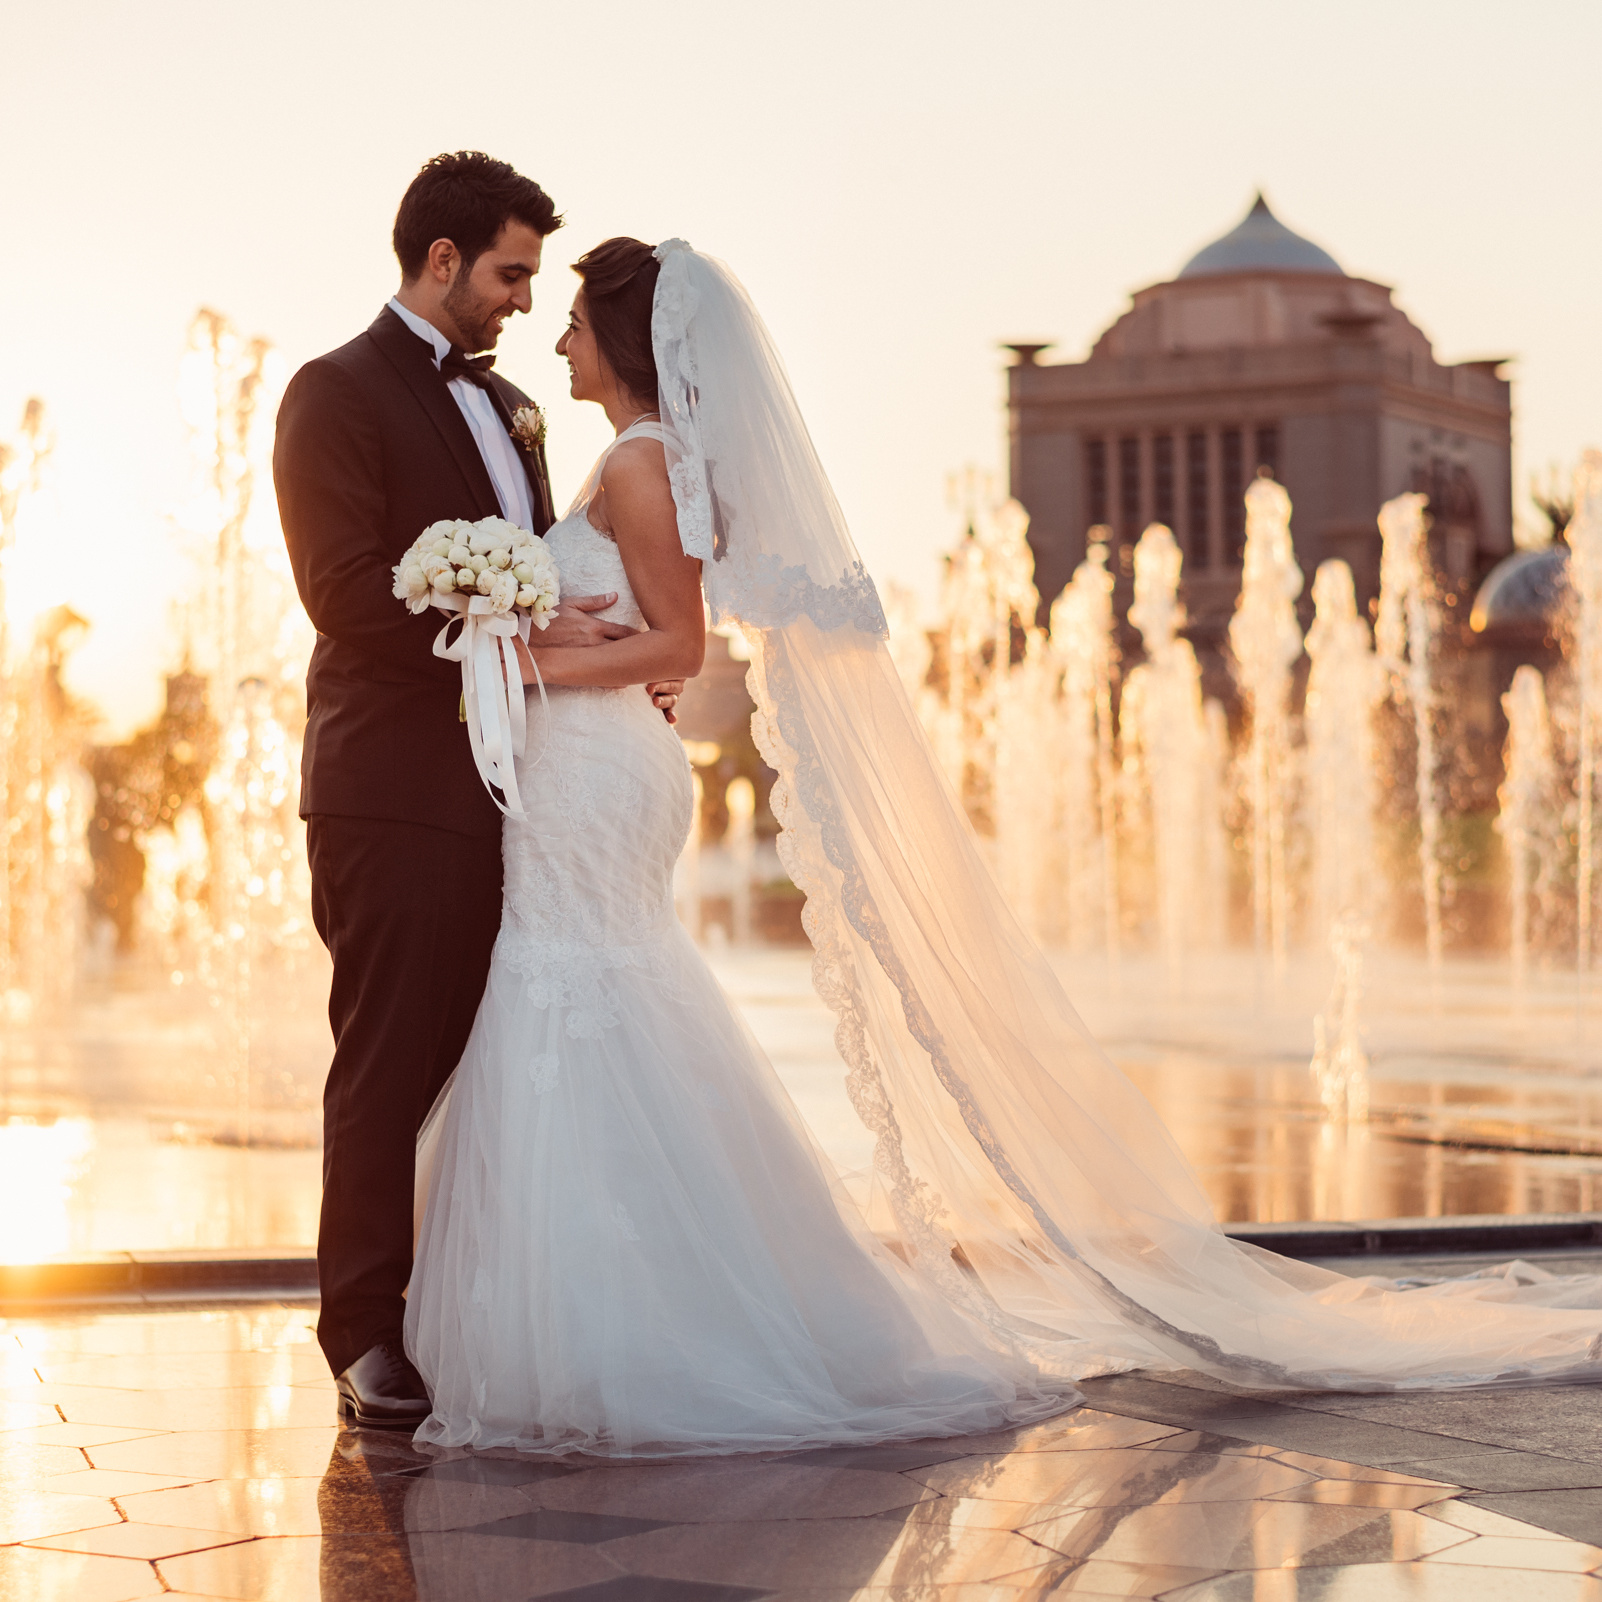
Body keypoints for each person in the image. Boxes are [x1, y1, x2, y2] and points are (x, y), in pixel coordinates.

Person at [407, 237, 1602, 1457]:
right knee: (601, 989)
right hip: (585, 772)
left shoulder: (644, 465)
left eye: (573, 325)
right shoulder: (644, 462)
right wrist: (532, 639)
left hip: (599, 772)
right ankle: (641, 1307)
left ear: (627, 339)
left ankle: (639, 1331)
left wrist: (520, 655)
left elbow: (675, 649)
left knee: (585, 984)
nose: (557, 341)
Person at [273, 155, 683, 1429]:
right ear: (441, 260)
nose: (521, 301)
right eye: (509, 273)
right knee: (389, 1061)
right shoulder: (330, 394)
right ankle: (361, 1335)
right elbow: (344, 593)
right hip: (391, 787)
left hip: (522, 790)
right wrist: (517, 633)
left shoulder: (517, 409)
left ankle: (472, 1312)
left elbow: (546, 577)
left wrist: (608, 656)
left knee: (489, 1061)